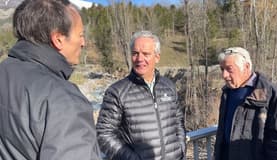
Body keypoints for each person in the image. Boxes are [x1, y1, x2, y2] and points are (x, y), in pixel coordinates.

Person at [0, 0, 101, 159]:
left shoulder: (4, 69)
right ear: (58, 39)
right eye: (81, 35)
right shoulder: (65, 101)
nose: (84, 43)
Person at [96, 30, 186, 160]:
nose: (139, 59)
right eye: (135, 53)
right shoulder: (117, 92)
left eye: (146, 54)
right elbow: (103, 134)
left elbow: (178, 121)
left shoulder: (168, 86)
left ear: (157, 57)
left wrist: (181, 148)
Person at [214, 47, 277, 160]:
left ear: (246, 67)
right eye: (222, 69)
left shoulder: (271, 94)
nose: (224, 75)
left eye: (229, 69)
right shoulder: (227, 93)